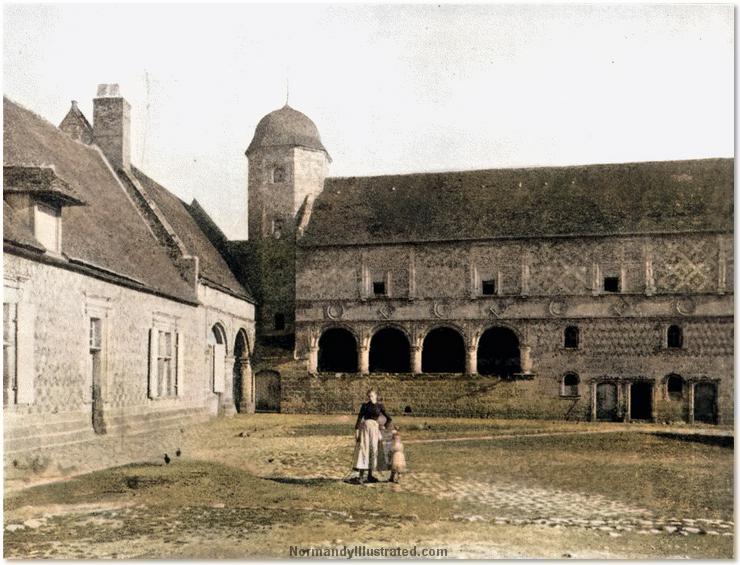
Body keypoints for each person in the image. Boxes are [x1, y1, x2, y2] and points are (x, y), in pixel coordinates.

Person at [353, 389, 392, 484]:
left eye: (372, 396)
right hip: (365, 429)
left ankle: (370, 475)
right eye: (369, 396)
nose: (370, 397)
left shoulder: (380, 406)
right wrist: (357, 430)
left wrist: (383, 426)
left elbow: (389, 418)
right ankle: (361, 477)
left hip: (374, 430)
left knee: (373, 450)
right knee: (364, 450)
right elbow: (359, 418)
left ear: (376, 396)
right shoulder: (365, 406)